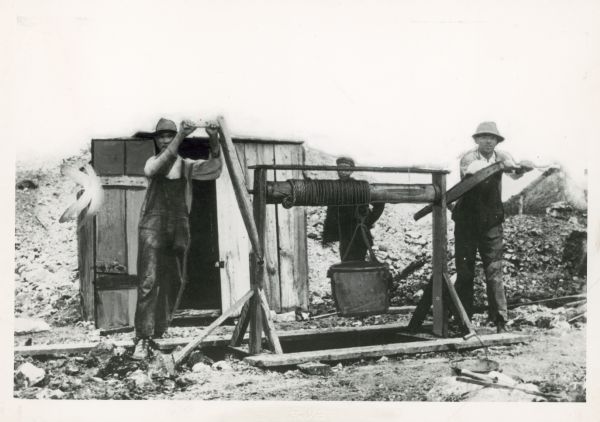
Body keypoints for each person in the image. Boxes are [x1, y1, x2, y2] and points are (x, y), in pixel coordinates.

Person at [132, 117, 222, 360]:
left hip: (179, 225)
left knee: (175, 279)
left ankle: (159, 330)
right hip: (152, 224)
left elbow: (215, 169)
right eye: (160, 136)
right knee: (149, 280)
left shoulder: (186, 165)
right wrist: (182, 135)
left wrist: (214, 137)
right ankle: (142, 337)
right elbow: (160, 167)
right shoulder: (153, 162)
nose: (164, 140)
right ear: (156, 139)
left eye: (168, 136)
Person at [452, 121, 534, 333]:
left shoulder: (502, 156)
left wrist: (521, 168)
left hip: (491, 222)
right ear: (476, 140)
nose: (488, 141)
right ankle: (464, 321)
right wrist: (502, 165)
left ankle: (499, 320)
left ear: (497, 141)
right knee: (465, 273)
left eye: (492, 138)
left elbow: (513, 173)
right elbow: (473, 172)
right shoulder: (469, 158)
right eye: (484, 137)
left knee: (494, 272)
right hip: (467, 222)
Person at [322, 157, 385, 261]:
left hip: (359, 232)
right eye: (340, 168)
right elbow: (331, 212)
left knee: (357, 261)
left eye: (346, 168)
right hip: (344, 233)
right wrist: (330, 233)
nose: (342, 171)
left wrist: (368, 221)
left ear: (351, 171)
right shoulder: (333, 187)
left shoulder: (360, 187)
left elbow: (379, 203)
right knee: (345, 260)